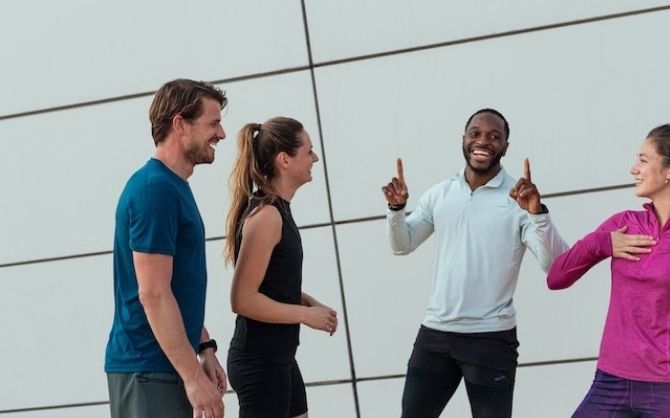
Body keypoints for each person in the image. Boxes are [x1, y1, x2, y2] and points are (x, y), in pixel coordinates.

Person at [381, 108, 569, 418]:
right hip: (435, 335)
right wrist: (396, 208)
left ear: (505, 148)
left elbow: (556, 264)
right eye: (476, 133)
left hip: (490, 339)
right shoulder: (439, 194)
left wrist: (537, 213)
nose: (483, 141)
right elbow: (402, 245)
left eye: (494, 136)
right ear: (464, 140)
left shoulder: (518, 200)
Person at [105, 79, 228, 418]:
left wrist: (203, 347)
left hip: (165, 365)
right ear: (179, 124)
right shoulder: (154, 190)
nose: (222, 134)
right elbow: (154, 294)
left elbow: (175, 285)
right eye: (213, 123)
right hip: (149, 369)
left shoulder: (172, 187)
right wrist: (191, 376)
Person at [547, 124, 670, 417]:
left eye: (643, 160)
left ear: (668, 171)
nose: (633, 169)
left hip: (664, 388)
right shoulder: (623, 224)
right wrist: (603, 243)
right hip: (611, 381)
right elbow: (557, 277)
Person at [224, 117, 338, 418]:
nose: (314, 158)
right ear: (284, 159)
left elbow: (270, 283)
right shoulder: (267, 217)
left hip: (279, 358)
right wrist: (305, 315)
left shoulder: (278, 210)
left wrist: (307, 301)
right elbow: (242, 299)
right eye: (308, 151)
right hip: (259, 362)